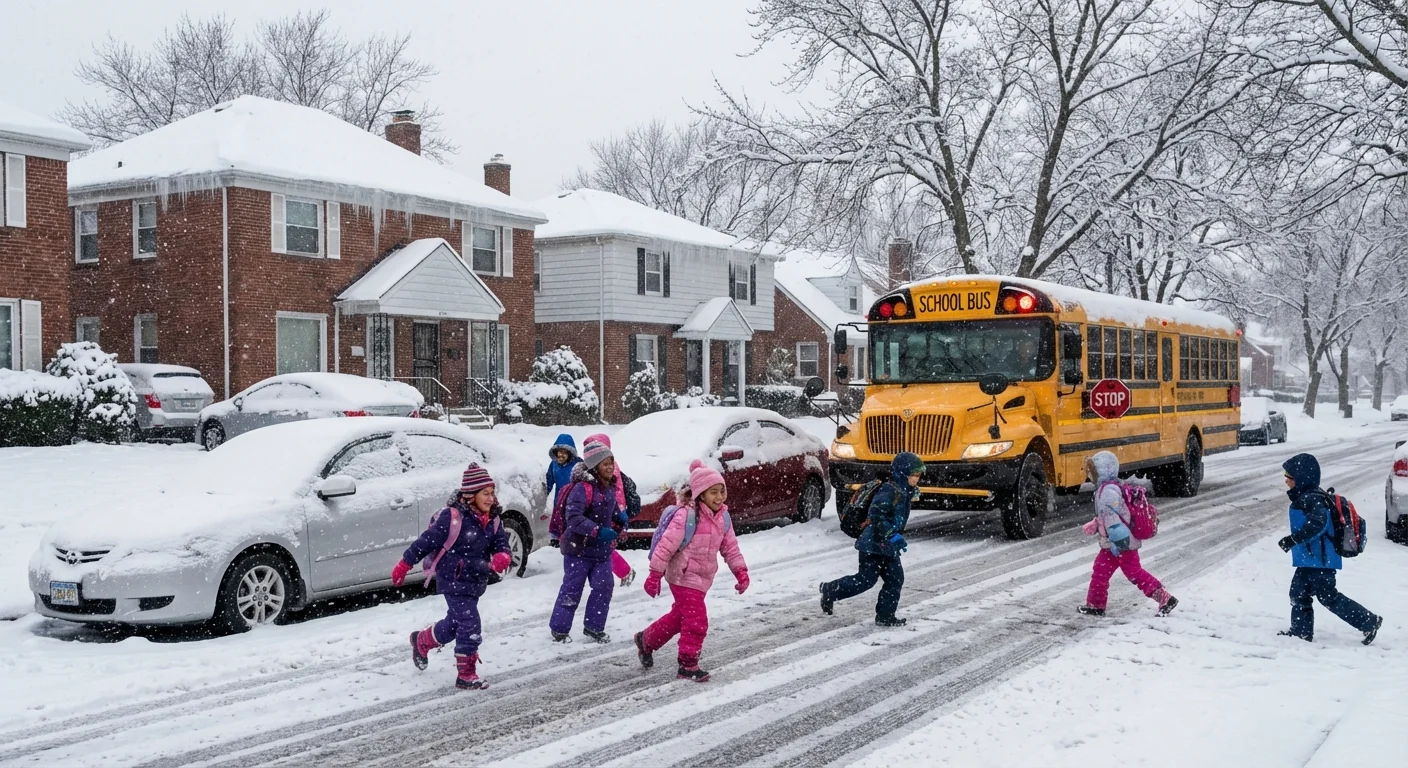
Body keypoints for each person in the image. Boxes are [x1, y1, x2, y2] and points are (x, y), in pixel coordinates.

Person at [393, 463, 513, 690]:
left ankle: (422, 641)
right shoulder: (452, 517)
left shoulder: (494, 519)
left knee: (455, 624)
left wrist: (503, 556)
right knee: (470, 623)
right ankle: (466, 674)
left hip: (477, 580)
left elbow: (501, 544)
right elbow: (426, 541)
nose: (490, 499)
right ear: (470, 495)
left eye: (492, 493)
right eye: (485, 494)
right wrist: (405, 562)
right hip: (453, 579)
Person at [635, 459, 749, 682]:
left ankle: (646, 640)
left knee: (680, 618)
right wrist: (654, 575)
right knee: (697, 620)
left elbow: (731, 548)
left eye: (721, 491)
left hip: (702, 579)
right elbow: (665, 547)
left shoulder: (723, 518)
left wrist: (741, 571)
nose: (718, 497)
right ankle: (687, 664)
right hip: (682, 576)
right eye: (713, 492)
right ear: (700, 495)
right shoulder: (686, 516)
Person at [1277, 453, 1383, 645]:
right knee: (1298, 594)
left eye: (1289, 477)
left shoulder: (1311, 499)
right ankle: (1301, 632)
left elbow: (1319, 523)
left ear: (1302, 478)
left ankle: (1369, 621)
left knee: (1328, 597)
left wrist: (1293, 539)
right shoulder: (1309, 496)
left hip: (1320, 560)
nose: (1286, 481)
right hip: (1311, 560)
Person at [819, 452, 922, 627]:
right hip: (873, 544)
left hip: (888, 546)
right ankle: (829, 590)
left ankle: (885, 616)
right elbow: (876, 515)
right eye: (914, 475)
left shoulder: (905, 490)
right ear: (903, 473)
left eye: (918, 475)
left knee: (895, 579)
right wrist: (891, 534)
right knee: (865, 581)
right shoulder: (889, 490)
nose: (917, 479)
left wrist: (893, 538)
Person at [1076, 451, 1177, 617]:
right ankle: (1095, 605)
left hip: (1120, 543)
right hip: (1113, 543)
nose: (1090, 474)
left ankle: (1165, 598)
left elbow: (1114, 521)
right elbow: (1111, 515)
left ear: (1103, 471)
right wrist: (1095, 524)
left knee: (1134, 573)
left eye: (1093, 470)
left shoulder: (1107, 492)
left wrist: (1119, 543)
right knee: (1100, 571)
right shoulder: (1108, 488)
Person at [550, 441, 622, 643]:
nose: (609, 467)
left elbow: (609, 509)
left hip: (601, 551)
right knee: (572, 590)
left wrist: (619, 518)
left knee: (604, 587)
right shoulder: (582, 488)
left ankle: (594, 627)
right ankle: (559, 629)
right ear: (594, 466)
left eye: (611, 462)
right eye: (604, 463)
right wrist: (597, 531)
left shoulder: (609, 485)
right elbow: (574, 518)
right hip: (578, 550)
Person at [583, 432, 640, 587]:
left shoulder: (609, 468)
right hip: (603, 510)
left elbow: (617, 491)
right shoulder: (596, 468)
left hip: (609, 511)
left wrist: (617, 511)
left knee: (605, 546)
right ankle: (618, 573)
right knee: (603, 545)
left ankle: (624, 572)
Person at [544, 434, 580, 547]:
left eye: (564, 452)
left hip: (574, 500)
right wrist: (545, 493)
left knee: (572, 521)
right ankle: (556, 540)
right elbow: (549, 480)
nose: (561, 455)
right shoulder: (554, 465)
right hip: (559, 501)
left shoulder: (578, 464)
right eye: (559, 451)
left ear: (570, 453)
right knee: (558, 521)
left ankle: (572, 541)